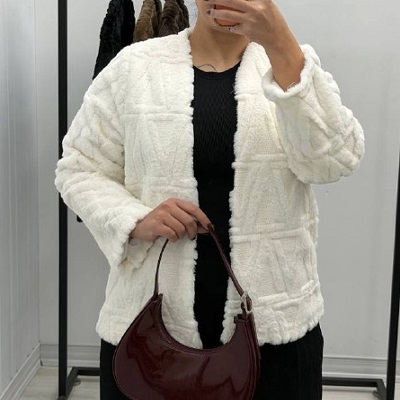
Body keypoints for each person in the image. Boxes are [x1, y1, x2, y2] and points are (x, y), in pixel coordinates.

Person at [55, 0, 365, 398]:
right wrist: (133, 218)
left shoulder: (288, 65)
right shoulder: (134, 67)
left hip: (275, 333)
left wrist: (282, 43)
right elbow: (78, 168)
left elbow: (335, 161)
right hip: (150, 336)